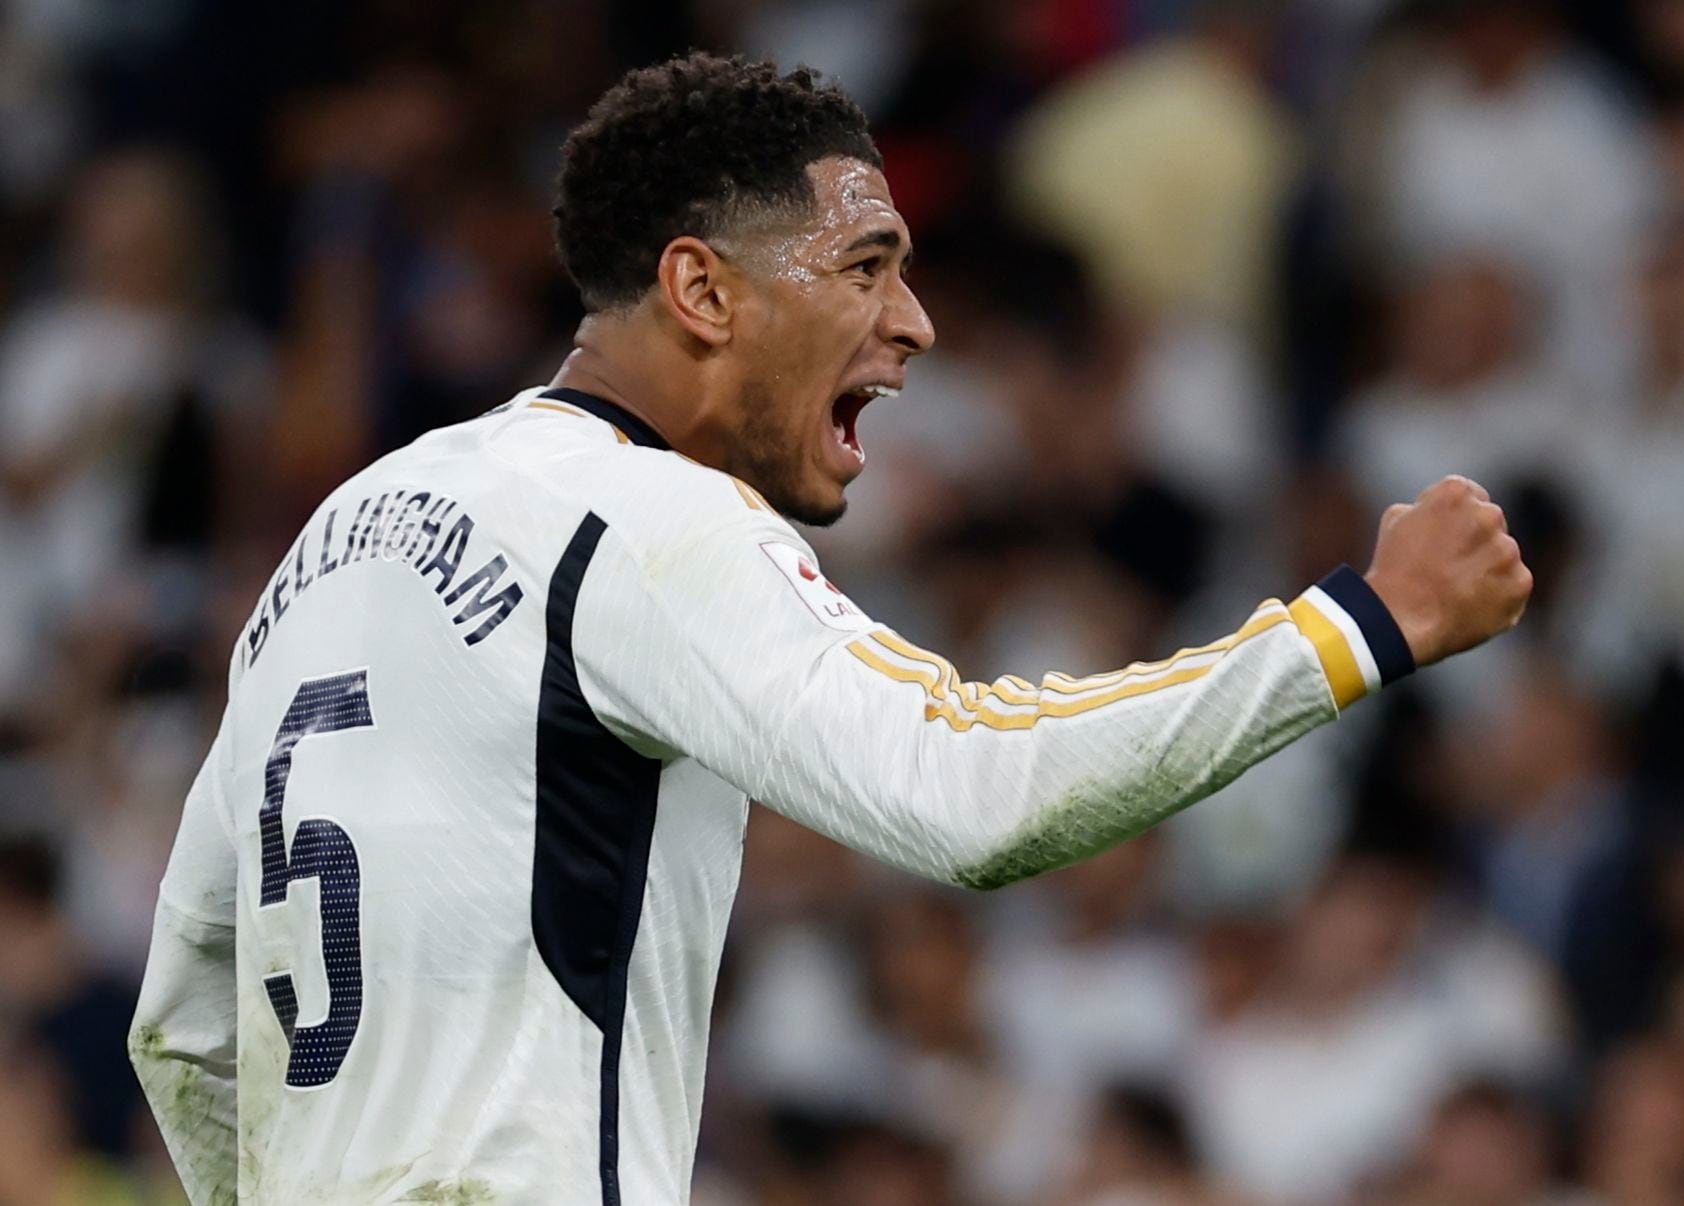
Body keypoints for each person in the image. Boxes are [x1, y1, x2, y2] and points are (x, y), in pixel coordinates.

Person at [128, 52, 1531, 1205]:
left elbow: (183, 1017)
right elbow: (966, 789)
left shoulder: (336, 539)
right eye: (864, 266)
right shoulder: (646, 519)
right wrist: (1358, 625)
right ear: (703, 292)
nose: (913, 321)